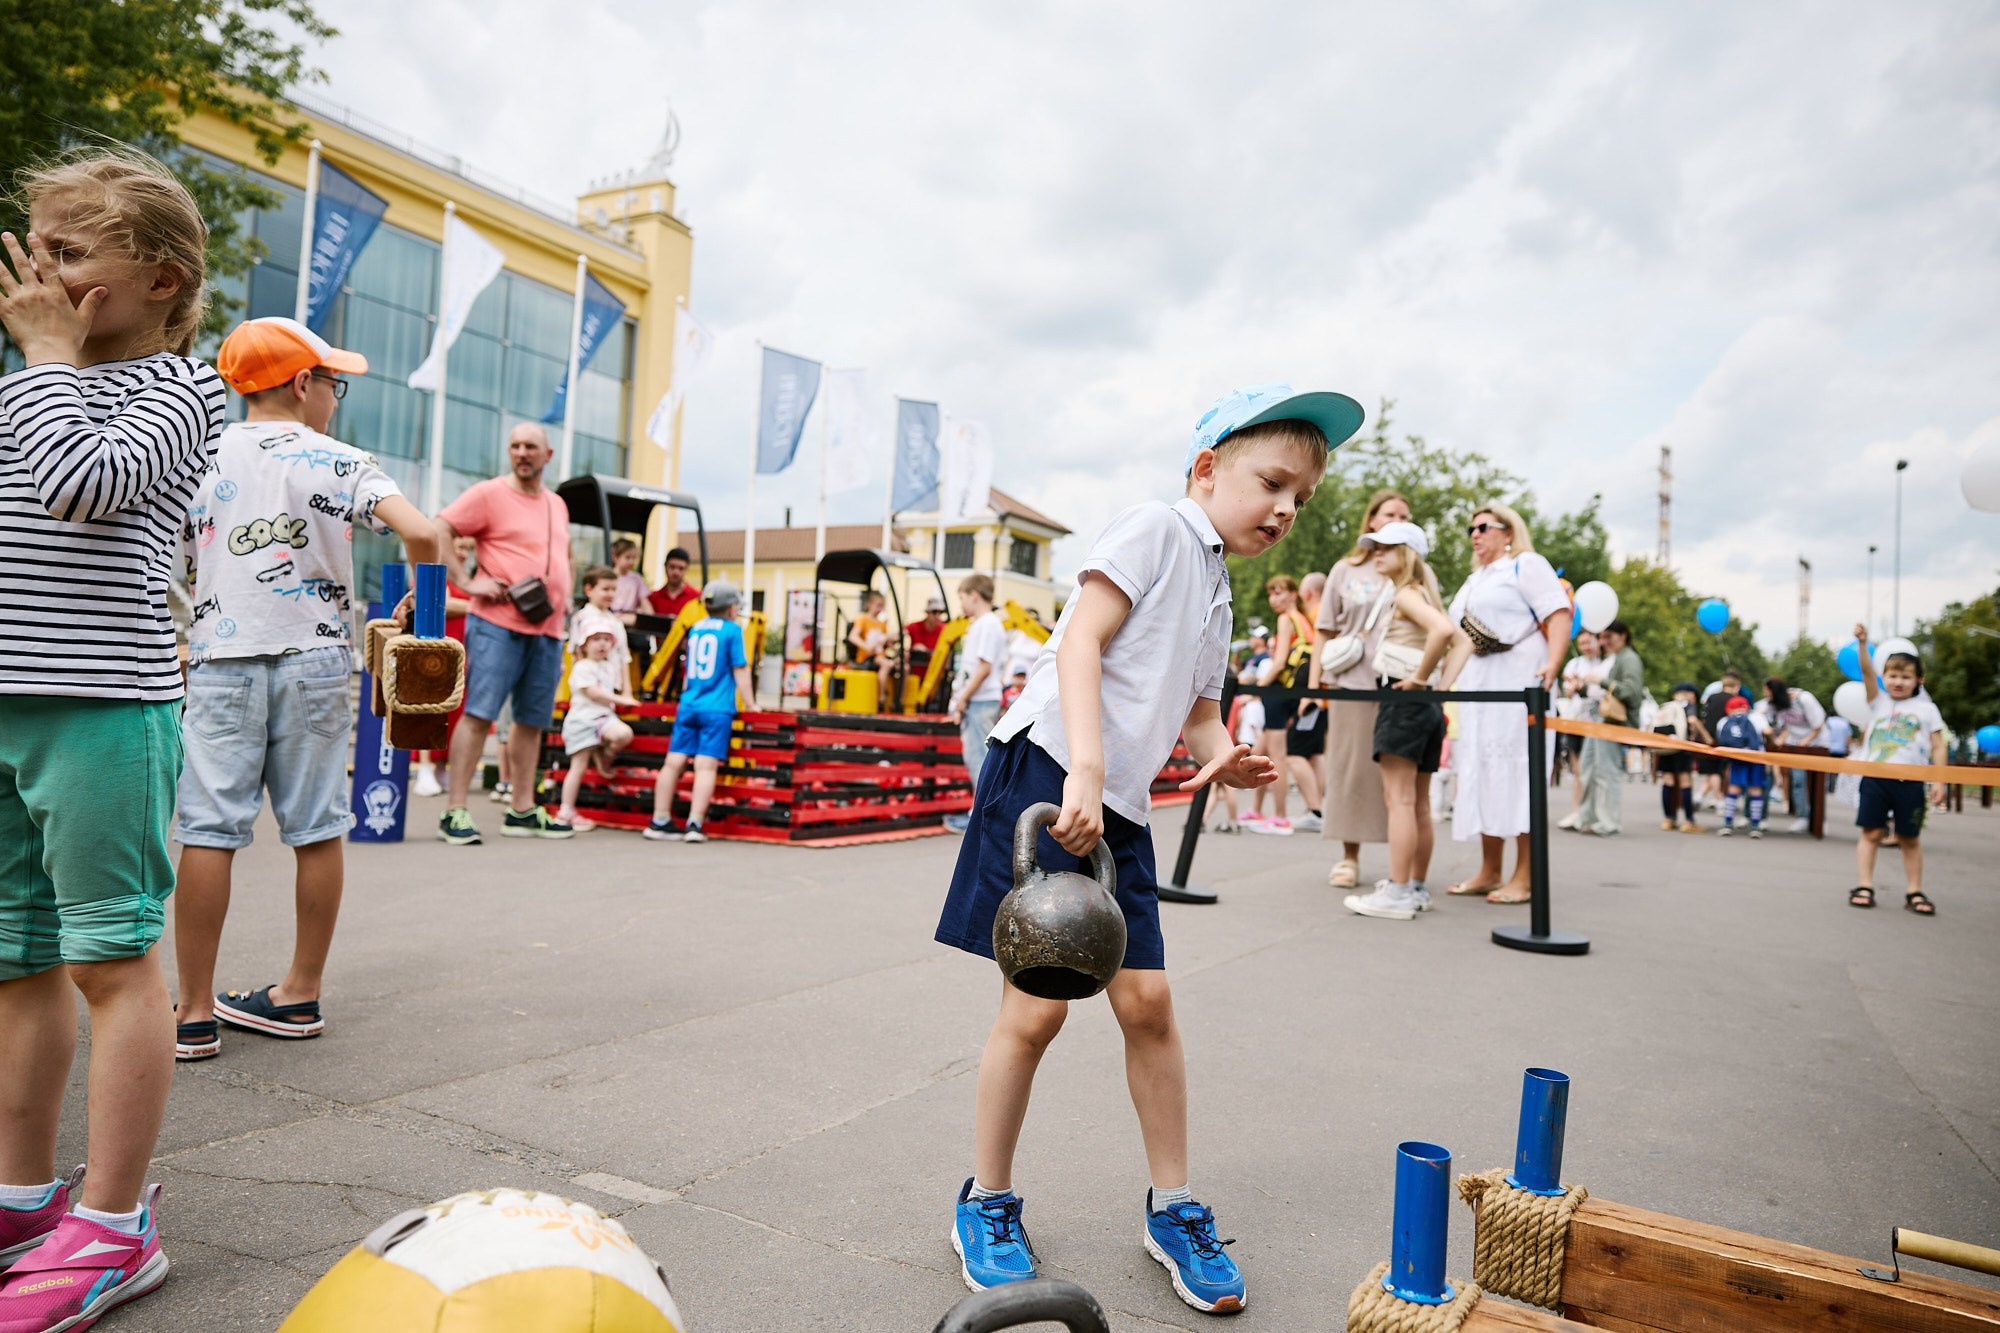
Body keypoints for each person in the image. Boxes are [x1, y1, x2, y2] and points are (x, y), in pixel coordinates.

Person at [935, 382, 1358, 1312]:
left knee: (1150, 1004)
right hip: (1049, 771)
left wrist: (1223, 756)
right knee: (1037, 1009)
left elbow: (1198, 714)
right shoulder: (1158, 529)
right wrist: (1085, 769)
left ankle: (1173, 1208)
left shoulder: (1219, 590)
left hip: (1113, 802)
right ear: (1207, 468)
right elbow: (1080, 641)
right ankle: (986, 1201)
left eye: (1301, 498)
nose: (1285, 509)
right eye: (1272, 483)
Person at [0, 150, 225, 1328]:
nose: (40, 278)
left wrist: (45, 358)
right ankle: (22, 1197)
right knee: (15, 958)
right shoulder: (25, 387)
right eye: (36, 252)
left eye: (71, 255)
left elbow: (84, 488)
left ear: (160, 278)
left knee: (111, 959)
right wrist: (38, 368)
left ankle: (115, 1220)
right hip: (8, 702)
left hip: (101, 704)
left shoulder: (183, 391)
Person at [171, 316, 437, 1064]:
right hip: (316, 660)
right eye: (333, 384)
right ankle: (299, 992)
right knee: (317, 827)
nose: (333, 398)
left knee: (208, 830)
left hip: (221, 659)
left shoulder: (197, 454)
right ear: (301, 383)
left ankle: (193, 1012)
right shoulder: (341, 460)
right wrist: (427, 616)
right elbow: (425, 535)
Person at [434, 423, 575, 844]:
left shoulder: (556, 504)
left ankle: (522, 811)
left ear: (548, 456)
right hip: (497, 624)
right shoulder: (489, 493)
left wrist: (565, 598)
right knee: (479, 713)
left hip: (548, 629)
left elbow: (561, 555)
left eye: (530, 446)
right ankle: (455, 811)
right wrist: (465, 580)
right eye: (515, 446)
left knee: (531, 721)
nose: (521, 453)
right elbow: (439, 528)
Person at [1437, 504, 1572, 902]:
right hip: (1478, 685)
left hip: (1518, 680)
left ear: (1508, 531)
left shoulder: (1524, 565)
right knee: (1482, 770)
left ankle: (1525, 876)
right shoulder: (1474, 580)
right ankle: (1489, 869)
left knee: (1520, 772)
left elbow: (1559, 613)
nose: (1475, 535)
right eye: (1471, 529)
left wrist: (1553, 664)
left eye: (1483, 527)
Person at [1341, 523, 1466, 921]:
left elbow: (1445, 632)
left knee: (1400, 802)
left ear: (1407, 553)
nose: (1377, 553)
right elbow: (1461, 640)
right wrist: (1436, 687)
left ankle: (1398, 891)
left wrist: (1418, 679)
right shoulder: (1425, 594)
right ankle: (1413, 886)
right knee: (1419, 805)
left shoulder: (1407, 593)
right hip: (1424, 705)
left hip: (1403, 701)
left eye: (1386, 547)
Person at [1310, 489, 1418, 889]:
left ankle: (1402, 870)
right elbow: (1324, 630)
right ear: (1372, 520)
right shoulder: (1346, 570)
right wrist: (1313, 686)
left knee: (1401, 778)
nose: (1397, 521)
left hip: (1400, 685)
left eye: (1404, 516)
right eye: (1390, 514)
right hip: (1351, 682)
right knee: (1351, 771)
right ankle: (1349, 857)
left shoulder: (1414, 573)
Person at [1850, 624, 1945, 914]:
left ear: (1918, 680)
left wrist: (1940, 781)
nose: (1898, 682)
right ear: (1884, 678)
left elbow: (1938, 746)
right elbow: (1866, 672)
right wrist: (1863, 644)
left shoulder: (1927, 710)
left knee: (1909, 838)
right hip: (1875, 779)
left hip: (1911, 781)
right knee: (1871, 833)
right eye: (1892, 676)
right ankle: (1864, 885)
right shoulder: (1878, 702)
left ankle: (1914, 891)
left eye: (1905, 677)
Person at [646, 582, 751, 843]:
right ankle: (695, 822)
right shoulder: (732, 630)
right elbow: (739, 668)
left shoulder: (695, 629)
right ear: (732, 608)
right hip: (717, 707)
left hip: (689, 703)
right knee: (705, 766)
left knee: (673, 762)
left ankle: (659, 818)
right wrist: (750, 703)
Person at [1245, 575, 1316, 833]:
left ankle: (1280, 816)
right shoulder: (1304, 621)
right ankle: (1257, 809)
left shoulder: (1286, 619)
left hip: (1279, 692)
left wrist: (1256, 689)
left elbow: (1279, 662)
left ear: (1293, 594)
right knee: (1262, 752)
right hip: (1294, 692)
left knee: (1277, 758)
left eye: (1279, 593)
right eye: (1271, 594)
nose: (1274, 599)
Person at [411, 536, 477, 798]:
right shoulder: (433, 571)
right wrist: (475, 606)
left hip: (462, 652)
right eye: (459, 547)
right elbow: (441, 604)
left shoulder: (465, 579)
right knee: (431, 708)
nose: (463, 554)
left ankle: (441, 767)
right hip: (436, 651)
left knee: (455, 712)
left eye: (466, 549)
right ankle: (425, 767)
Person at [556, 627, 639, 830]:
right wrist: (622, 700)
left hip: (604, 719)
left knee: (624, 734)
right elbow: (593, 693)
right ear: (584, 645)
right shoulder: (582, 666)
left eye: (606, 640)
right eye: (596, 639)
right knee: (578, 767)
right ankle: (566, 811)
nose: (602, 643)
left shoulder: (609, 667)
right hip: (583, 720)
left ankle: (604, 754)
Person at [943, 574, 1008, 834]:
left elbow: (983, 667)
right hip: (981, 699)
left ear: (974, 595)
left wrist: (962, 698)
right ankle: (976, 814)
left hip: (980, 700)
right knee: (977, 758)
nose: (961, 604)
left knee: (977, 759)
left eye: (962, 597)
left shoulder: (987, 624)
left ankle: (978, 819)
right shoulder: (987, 624)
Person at [1572, 619, 1643, 837]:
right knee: (1588, 769)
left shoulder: (1629, 658)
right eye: (1602, 637)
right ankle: (1587, 818)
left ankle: (1608, 822)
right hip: (1597, 719)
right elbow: (1599, 692)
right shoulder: (1613, 658)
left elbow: (1631, 692)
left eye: (1608, 636)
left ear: (1623, 635)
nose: (1604, 641)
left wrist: (1601, 681)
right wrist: (1581, 687)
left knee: (1606, 772)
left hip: (1612, 721)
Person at [1555, 630, 1608, 828]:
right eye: (1582, 643)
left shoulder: (1605, 664)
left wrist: (1586, 683)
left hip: (1599, 722)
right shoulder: (1574, 664)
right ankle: (1577, 811)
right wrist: (1574, 686)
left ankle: (1596, 814)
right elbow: (1568, 693)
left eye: (1589, 642)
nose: (1586, 647)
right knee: (1578, 770)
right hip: (1577, 722)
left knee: (1597, 770)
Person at [1759, 676, 1826, 832]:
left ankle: (1818, 819)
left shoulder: (1804, 699)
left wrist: (1805, 741)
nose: (1766, 695)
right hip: (1795, 745)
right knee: (1798, 780)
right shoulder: (1774, 705)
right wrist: (1779, 739)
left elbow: (1818, 725)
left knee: (1817, 785)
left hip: (1817, 744)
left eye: (1767, 691)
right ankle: (1803, 816)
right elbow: (1766, 717)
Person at [1650, 682, 1712, 832]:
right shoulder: (1688, 706)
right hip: (1681, 748)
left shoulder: (1666, 706)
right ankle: (1689, 821)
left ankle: (1668, 819)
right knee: (1685, 783)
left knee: (1668, 781)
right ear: (1691, 694)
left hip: (1664, 747)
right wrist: (1706, 736)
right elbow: (1692, 720)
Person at [1713, 695, 1768, 837]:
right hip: (1756, 757)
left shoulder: (1724, 721)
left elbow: (1721, 740)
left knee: (1734, 788)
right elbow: (1768, 731)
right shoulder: (1757, 717)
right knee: (1756, 789)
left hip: (1737, 757)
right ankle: (1755, 825)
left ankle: (1728, 822)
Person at [1697, 667, 1749, 810]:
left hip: (1707, 737)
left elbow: (1703, 717)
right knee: (1716, 771)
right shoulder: (1733, 701)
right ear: (1736, 687)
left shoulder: (1712, 697)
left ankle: (1700, 796)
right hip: (1723, 739)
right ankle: (1719, 800)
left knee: (1712, 771)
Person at [569, 564, 631, 675]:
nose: (611, 594)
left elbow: (623, 656)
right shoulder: (580, 618)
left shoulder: (616, 622)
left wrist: (626, 685)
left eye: (614, 589)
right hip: (589, 680)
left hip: (612, 681)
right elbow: (576, 652)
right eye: (605, 589)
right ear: (588, 590)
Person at [645, 545, 701, 620]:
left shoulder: (696, 598)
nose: (676, 572)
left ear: (687, 569)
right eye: (672, 567)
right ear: (665, 566)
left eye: (681, 568)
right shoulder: (653, 598)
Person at [609, 537, 649, 621]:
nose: (631, 562)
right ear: (615, 557)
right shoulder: (608, 577)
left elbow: (645, 603)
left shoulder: (636, 579)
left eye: (634, 558)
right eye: (627, 557)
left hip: (629, 619)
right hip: (610, 617)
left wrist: (651, 619)